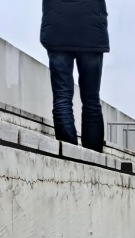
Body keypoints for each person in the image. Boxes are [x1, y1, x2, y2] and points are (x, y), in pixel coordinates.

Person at [40, 0, 109, 152]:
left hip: (57, 29)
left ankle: (69, 153)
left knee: (62, 98)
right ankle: (93, 160)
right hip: (91, 30)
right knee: (91, 101)